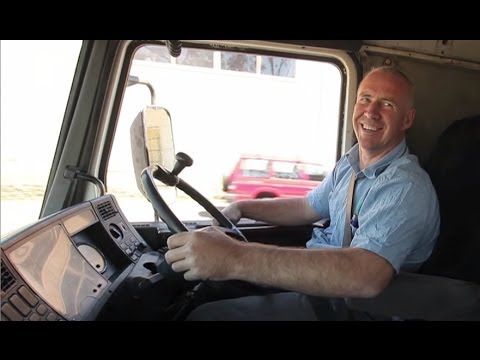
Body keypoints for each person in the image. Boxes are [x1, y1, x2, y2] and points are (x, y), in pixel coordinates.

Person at [164, 66, 441, 320]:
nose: (371, 111)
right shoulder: (351, 163)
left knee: (207, 316)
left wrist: (234, 257)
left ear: (407, 119)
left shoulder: (405, 187)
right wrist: (243, 207)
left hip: (356, 307)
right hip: (324, 287)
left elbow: (365, 276)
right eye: (365, 98)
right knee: (204, 291)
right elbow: (307, 206)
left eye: (387, 104)